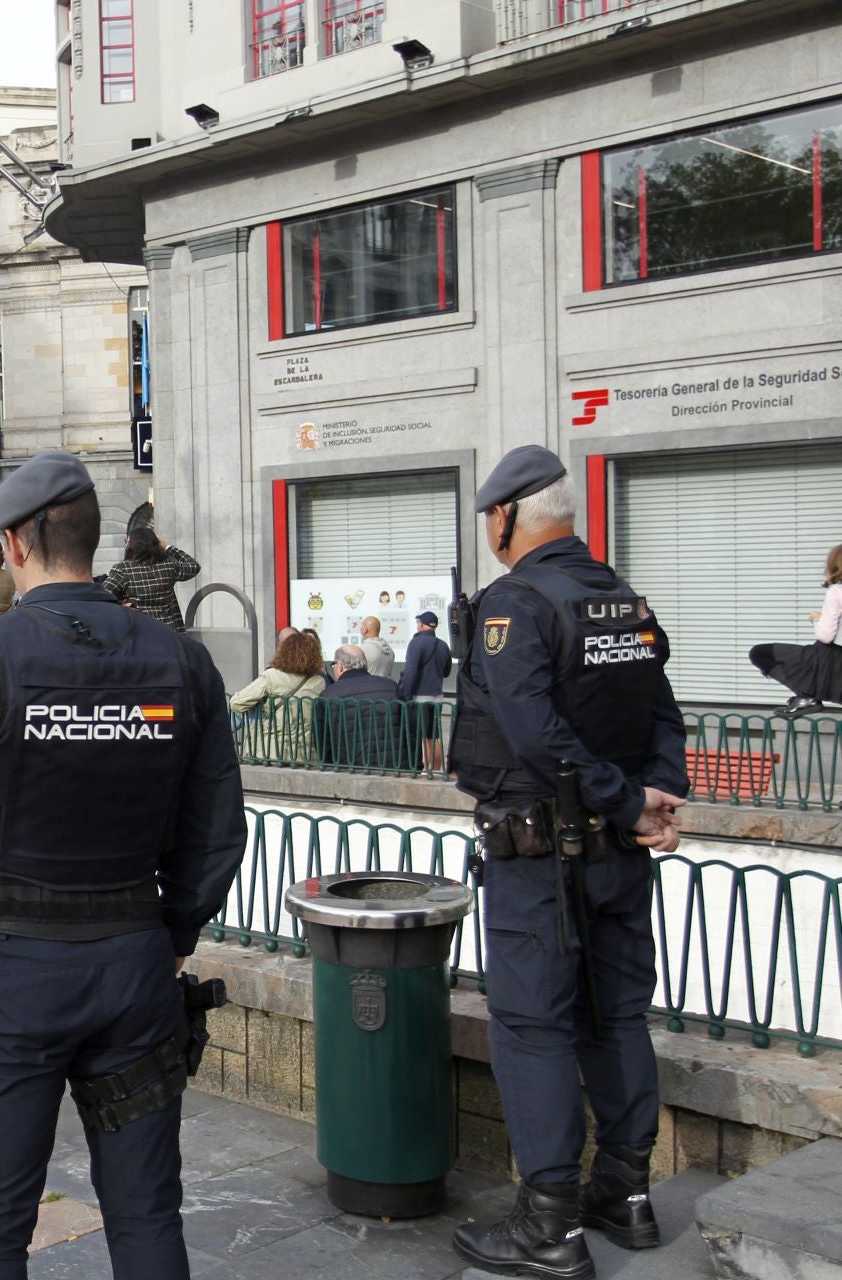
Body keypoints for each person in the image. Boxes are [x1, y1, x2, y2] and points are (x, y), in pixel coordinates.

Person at [0, 451, 246, 1280]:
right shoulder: (181, 661)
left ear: (15, 543)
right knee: (147, 1215)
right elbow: (216, 826)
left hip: (11, 978)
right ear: (90, 537)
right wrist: (177, 932)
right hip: (134, 964)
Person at [448, 446, 688, 1280]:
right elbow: (664, 714)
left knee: (533, 1026)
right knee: (616, 1016)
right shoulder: (623, 598)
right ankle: (625, 1196)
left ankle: (548, 1228)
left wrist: (627, 801)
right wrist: (655, 797)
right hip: (618, 856)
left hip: (542, 857)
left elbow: (534, 734)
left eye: (490, 516)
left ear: (507, 516)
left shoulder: (517, 602)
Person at [750, 544, 842, 718]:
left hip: (832, 663)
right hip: (834, 670)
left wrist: (817, 618)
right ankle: (807, 695)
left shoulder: (836, 591)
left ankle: (806, 696)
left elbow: (826, 636)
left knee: (759, 653)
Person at [228, 631, 327, 764]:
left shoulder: (272, 676)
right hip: (307, 754)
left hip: (272, 751)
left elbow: (236, 703)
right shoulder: (320, 682)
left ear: (284, 652)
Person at [316, 644, 406, 771]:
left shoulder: (328, 695)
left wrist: (330, 767)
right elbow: (410, 730)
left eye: (334, 665)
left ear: (340, 666)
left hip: (349, 769)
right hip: (394, 768)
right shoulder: (391, 687)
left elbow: (322, 742)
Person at [101, 527, 201, 630]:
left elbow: (101, 596)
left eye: (127, 542)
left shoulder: (124, 569)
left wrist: (120, 606)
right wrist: (168, 547)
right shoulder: (168, 565)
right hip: (169, 632)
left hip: (140, 632)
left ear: (132, 545)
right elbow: (193, 566)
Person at [397, 610, 453, 772]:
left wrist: (405, 696)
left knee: (420, 737)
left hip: (418, 698)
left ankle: (425, 772)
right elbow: (447, 672)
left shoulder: (416, 644)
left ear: (421, 625)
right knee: (433, 736)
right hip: (437, 698)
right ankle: (436, 770)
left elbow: (410, 672)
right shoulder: (443, 645)